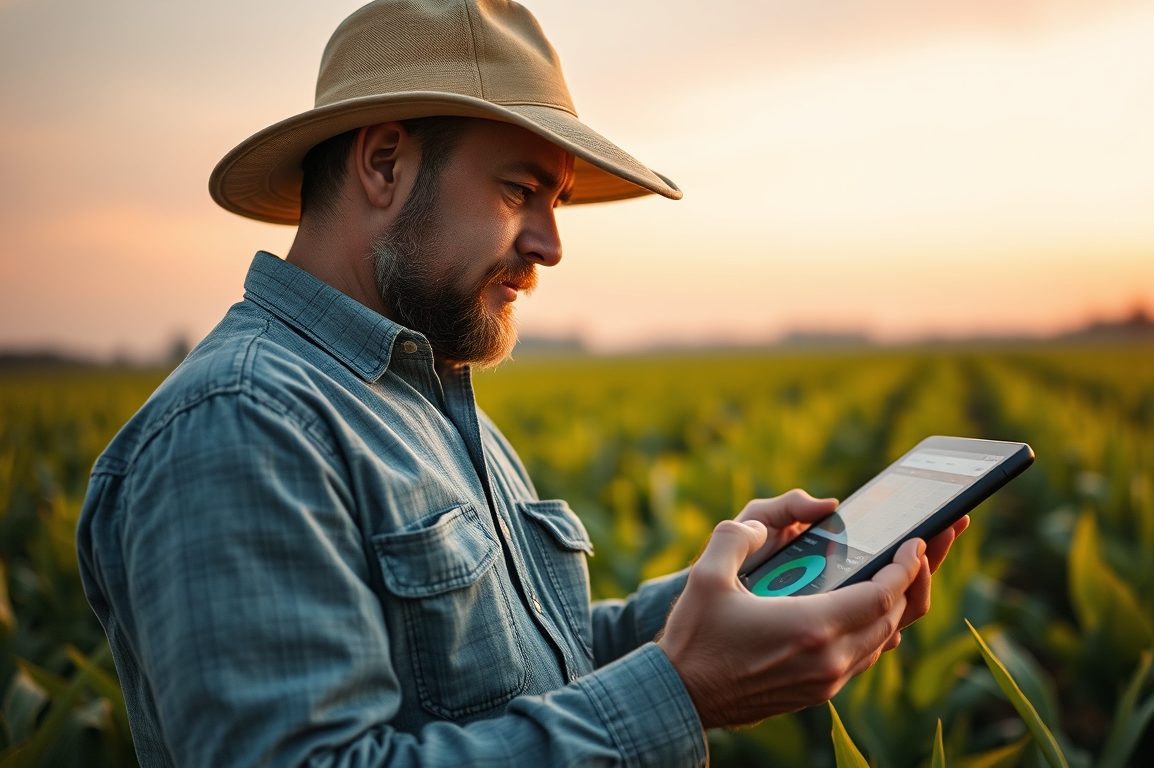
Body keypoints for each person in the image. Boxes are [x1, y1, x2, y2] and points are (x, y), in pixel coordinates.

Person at [76, 1, 968, 766]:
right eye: (519, 191)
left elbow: (523, 677)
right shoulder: (242, 425)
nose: (550, 242)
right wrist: (686, 690)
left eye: (556, 202)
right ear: (384, 165)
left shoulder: (426, 396)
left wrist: (724, 603)